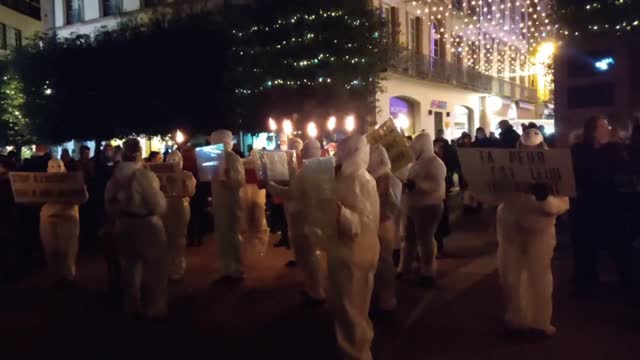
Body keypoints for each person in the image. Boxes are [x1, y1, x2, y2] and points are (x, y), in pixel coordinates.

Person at [496, 124, 569, 336]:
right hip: (510, 228)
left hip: (540, 231)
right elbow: (494, 195)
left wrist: (545, 198)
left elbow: (563, 203)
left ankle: (539, 322)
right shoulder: (508, 164)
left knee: (539, 277)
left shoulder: (554, 166)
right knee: (509, 276)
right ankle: (515, 317)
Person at [105, 139, 168, 319]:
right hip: (146, 224)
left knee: (129, 267)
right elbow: (157, 204)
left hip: (123, 224)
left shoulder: (114, 178)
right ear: (139, 154)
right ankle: (154, 308)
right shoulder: (144, 176)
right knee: (155, 267)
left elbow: (108, 205)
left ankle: (132, 306)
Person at [329, 135, 379, 360]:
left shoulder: (361, 180)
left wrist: (340, 212)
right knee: (346, 307)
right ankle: (351, 350)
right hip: (343, 252)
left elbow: (363, 222)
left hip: (355, 255)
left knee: (353, 309)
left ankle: (357, 353)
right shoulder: (342, 176)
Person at [571, 116, 632, 298]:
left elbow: (623, 171)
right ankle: (586, 283)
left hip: (609, 206)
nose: (606, 128)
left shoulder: (614, 149)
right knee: (585, 248)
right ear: (592, 130)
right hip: (586, 206)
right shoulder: (578, 150)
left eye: (607, 125)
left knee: (619, 247)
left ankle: (628, 284)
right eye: (602, 125)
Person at [269, 139, 326, 304]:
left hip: (303, 220)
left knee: (308, 257)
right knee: (312, 255)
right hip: (315, 218)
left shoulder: (305, 172)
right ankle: (314, 288)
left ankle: (315, 292)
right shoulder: (322, 170)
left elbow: (290, 193)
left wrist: (271, 185)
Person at [400, 132, 446, 288]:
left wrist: (416, 185)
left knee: (425, 240)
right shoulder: (416, 163)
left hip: (429, 207)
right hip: (413, 206)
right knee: (409, 239)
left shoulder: (436, 163)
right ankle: (405, 267)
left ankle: (428, 271)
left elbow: (436, 187)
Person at [40, 159, 88, 288]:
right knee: (51, 247)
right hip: (48, 218)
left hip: (69, 217)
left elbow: (83, 197)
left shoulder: (73, 181)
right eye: (52, 166)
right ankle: (55, 276)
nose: (55, 169)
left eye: (58, 166)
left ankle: (67, 276)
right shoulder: (42, 182)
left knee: (68, 248)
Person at [367, 144, 402, 312]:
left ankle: (387, 299)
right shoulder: (373, 177)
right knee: (377, 262)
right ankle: (380, 296)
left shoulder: (388, 179)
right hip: (375, 224)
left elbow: (390, 207)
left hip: (383, 225)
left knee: (384, 262)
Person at [210, 130, 246, 279]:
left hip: (232, 201)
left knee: (232, 234)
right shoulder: (212, 158)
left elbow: (239, 181)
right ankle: (226, 267)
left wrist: (228, 177)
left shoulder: (233, 158)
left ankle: (237, 267)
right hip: (219, 201)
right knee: (222, 234)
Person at [163, 151, 197, 280]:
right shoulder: (160, 175)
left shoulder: (187, 175)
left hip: (180, 206)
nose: (172, 162)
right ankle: (169, 266)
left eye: (175, 159)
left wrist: (182, 184)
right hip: (166, 206)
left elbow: (190, 191)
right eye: (170, 159)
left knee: (178, 236)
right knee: (168, 236)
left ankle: (177, 267)